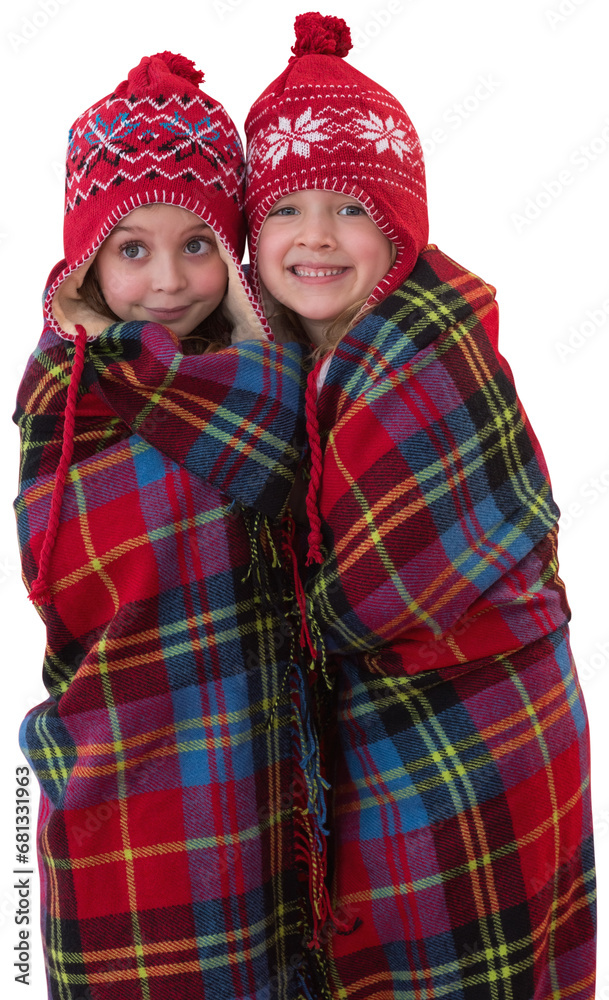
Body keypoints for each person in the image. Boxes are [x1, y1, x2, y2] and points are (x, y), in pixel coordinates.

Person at [243, 13, 597, 999]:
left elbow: (364, 593)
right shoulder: (277, 374)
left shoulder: (427, 356)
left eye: (351, 207)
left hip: (483, 731)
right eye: (284, 210)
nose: (315, 236)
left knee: (457, 956)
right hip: (366, 738)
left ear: (401, 230)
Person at [14, 51, 331, 1000]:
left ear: (232, 257)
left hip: (256, 762)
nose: (166, 281)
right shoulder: (69, 396)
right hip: (128, 761)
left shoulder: (280, 379)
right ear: (89, 259)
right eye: (132, 247)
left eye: (196, 243)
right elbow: (68, 572)